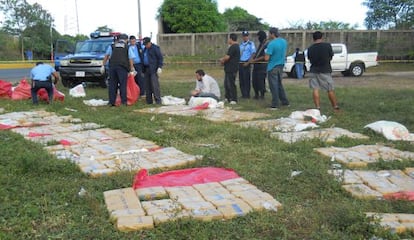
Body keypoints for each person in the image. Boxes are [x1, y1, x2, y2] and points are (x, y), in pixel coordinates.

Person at [307, 31, 339, 111]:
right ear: (321, 37)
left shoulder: (310, 48)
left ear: (313, 38)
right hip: (325, 70)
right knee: (329, 89)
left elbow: (310, 59)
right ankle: (335, 107)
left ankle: (318, 107)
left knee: (315, 89)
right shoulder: (327, 46)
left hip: (313, 70)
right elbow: (330, 56)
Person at [102, 34, 135, 106]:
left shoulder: (112, 46)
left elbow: (106, 55)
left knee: (112, 85)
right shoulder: (127, 47)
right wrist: (132, 68)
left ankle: (111, 102)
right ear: (126, 40)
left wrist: (103, 65)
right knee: (123, 84)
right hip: (122, 68)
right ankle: (123, 102)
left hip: (112, 67)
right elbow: (131, 58)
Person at [264, 27, 289, 109]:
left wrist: (265, 53)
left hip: (272, 66)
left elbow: (266, 58)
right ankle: (284, 101)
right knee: (279, 84)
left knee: (273, 85)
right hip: (281, 64)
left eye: (269, 34)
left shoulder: (271, 44)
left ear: (272, 34)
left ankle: (275, 103)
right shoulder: (284, 41)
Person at [219, 33, 240, 105]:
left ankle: (234, 99)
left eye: (229, 39)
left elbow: (227, 57)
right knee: (226, 84)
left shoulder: (234, 47)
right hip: (228, 69)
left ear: (231, 39)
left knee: (231, 84)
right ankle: (227, 97)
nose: (228, 40)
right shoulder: (233, 47)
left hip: (232, 68)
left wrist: (222, 60)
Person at [142, 37, 163, 104]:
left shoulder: (155, 48)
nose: (146, 45)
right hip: (146, 69)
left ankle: (158, 100)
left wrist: (159, 67)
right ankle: (149, 101)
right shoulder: (145, 49)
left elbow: (160, 58)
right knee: (147, 86)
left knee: (154, 85)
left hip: (153, 69)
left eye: (146, 44)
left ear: (149, 43)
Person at [250, 30, 268, 99]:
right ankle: (256, 94)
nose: (258, 38)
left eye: (258, 36)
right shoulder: (261, 44)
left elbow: (264, 56)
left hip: (262, 66)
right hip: (256, 65)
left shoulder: (266, 44)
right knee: (254, 80)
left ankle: (262, 95)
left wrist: (254, 60)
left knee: (261, 81)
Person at [239, 30, 256, 98]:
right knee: (241, 79)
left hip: (247, 62)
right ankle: (243, 94)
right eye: (244, 36)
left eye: (246, 36)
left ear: (248, 36)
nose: (245, 37)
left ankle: (247, 94)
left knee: (246, 79)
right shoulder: (240, 44)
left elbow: (253, 53)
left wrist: (248, 62)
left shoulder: (251, 44)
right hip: (240, 62)